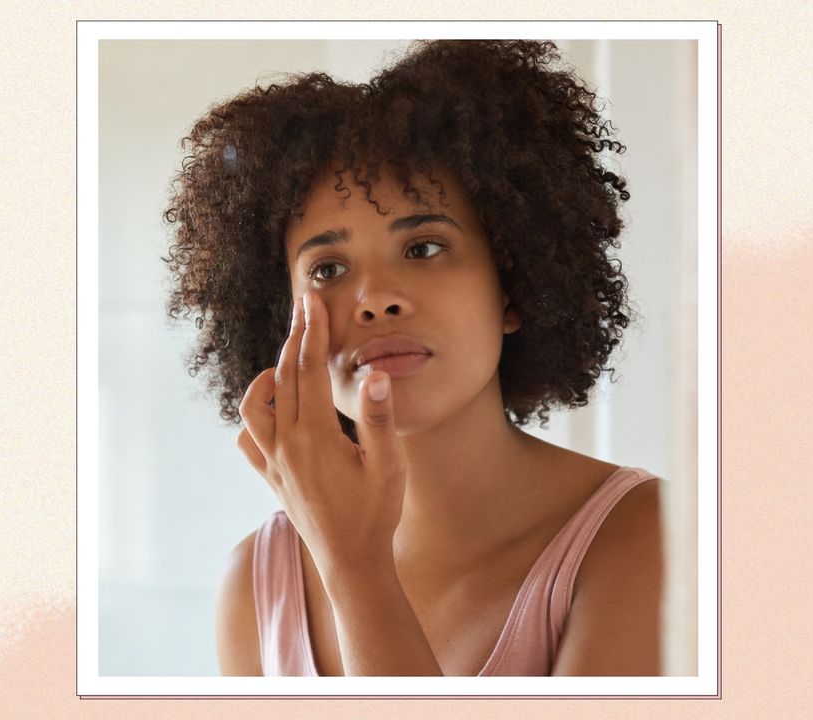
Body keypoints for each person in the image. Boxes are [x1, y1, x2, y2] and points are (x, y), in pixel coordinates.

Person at [163, 40, 664, 676]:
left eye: (424, 248)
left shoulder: (647, 538)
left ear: (512, 287)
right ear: (276, 315)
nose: (376, 300)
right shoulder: (255, 587)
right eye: (330, 268)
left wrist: (354, 564)